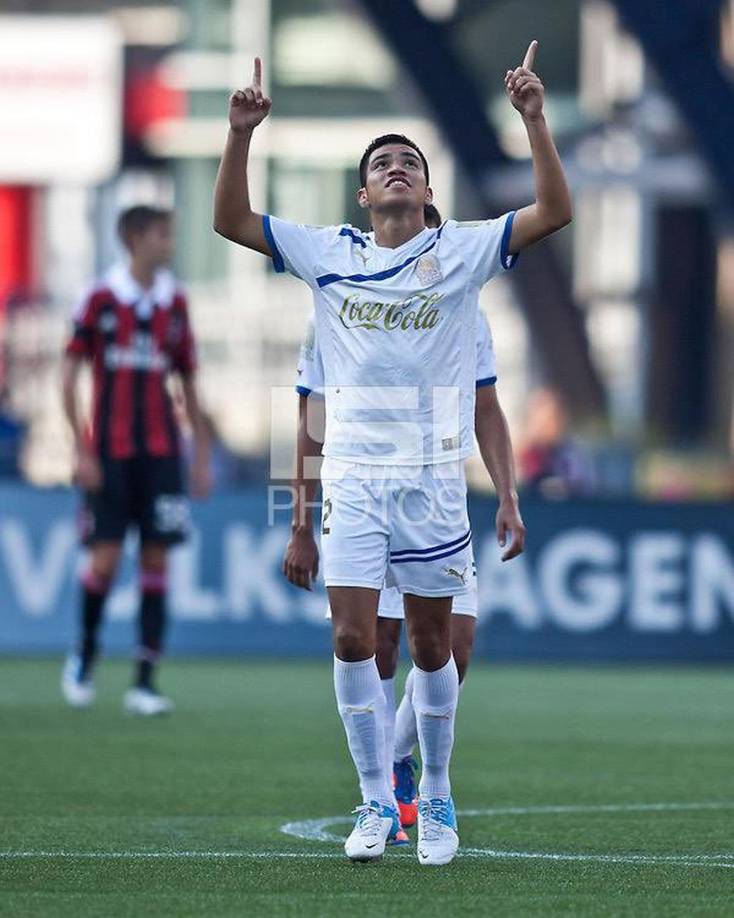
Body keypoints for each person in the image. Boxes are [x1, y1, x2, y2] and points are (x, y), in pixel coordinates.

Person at [214, 45, 571, 864]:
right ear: (364, 193)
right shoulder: (328, 257)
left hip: (432, 481)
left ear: (429, 190)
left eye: (411, 161)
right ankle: (378, 802)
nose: (398, 169)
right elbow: (231, 223)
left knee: (437, 646)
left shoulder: (463, 256)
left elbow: (553, 210)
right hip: (352, 482)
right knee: (352, 640)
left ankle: (437, 797)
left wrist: (534, 119)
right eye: (383, 163)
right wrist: (239, 136)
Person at [283, 205, 524, 835]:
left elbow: (486, 407)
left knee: (453, 646)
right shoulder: (335, 308)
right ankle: (386, 786)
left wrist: (508, 495)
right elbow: (310, 418)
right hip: (362, 483)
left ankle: (396, 755)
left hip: (430, 484)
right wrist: (298, 519)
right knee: (371, 642)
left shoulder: (459, 305)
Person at [61, 205, 211, 716]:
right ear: (135, 239)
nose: (170, 242)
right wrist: (80, 450)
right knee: (104, 560)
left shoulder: (175, 302)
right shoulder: (100, 298)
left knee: (155, 560)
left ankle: (145, 682)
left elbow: (188, 380)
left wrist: (201, 453)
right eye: (162, 234)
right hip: (109, 451)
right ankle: (84, 653)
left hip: (162, 453)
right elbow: (69, 375)